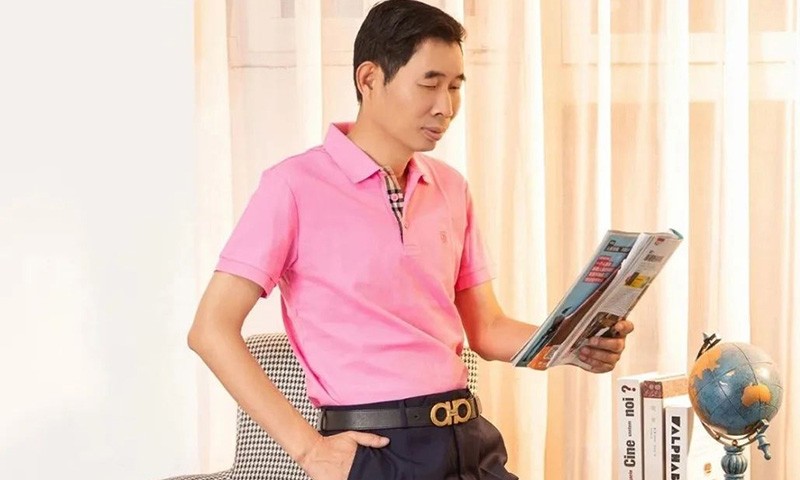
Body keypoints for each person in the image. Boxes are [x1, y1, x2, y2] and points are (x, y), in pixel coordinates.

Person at [187, 1, 634, 479]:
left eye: (455, 86)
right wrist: (309, 450)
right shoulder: (293, 186)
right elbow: (211, 329)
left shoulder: (451, 188)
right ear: (369, 78)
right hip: (380, 451)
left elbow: (486, 329)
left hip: (469, 438)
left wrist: (573, 344)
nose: (446, 107)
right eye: (429, 83)